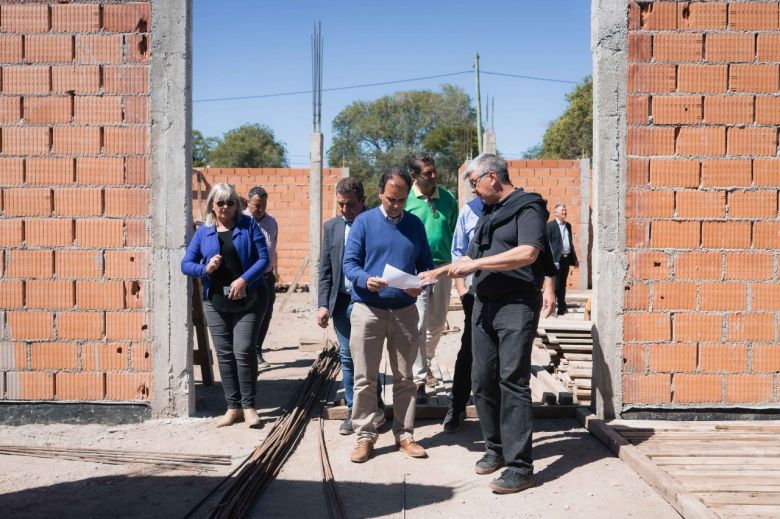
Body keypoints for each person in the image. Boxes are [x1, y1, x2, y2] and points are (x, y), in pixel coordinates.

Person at [420, 154, 556, 494]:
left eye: (474, 182)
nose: (473, 190)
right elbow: (467, 258)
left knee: (512, 380)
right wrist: (439, 272)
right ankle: (494, 448)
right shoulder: (488, 213)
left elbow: (528, 253)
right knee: (481, 380)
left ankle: (520, 466)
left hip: (516, 304)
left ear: (492, 177)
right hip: (484, 304)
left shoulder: (527, 208)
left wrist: (478, 263)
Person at [343, 167, 435, 463]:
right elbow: (350, 263)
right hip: (368, 310)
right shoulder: (363, 223)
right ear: (380, 192)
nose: (397, 205)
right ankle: (365, 435)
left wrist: (419, 285)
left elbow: (426, 265)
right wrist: (364, 279)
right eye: (392, 198)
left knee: (406, 377)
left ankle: (405, 434)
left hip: (405, 311)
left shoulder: (415, 224)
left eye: (402, 199)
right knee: (365, 378)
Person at [182, 183, 270, 428]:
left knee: (243, 350)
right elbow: (186, 264)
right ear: (212, 204)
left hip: (250, 298)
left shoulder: (248, 225)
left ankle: (249, 406)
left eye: (230, 202)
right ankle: (233, 408)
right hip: (216, 301)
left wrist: (244, 279)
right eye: (220, 202)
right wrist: (204, 268)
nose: (225, 207)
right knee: (224, 354)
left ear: (236, 205)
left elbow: (264, 259)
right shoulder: (203, 233)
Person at [316, 177, 385, 436]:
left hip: (368, 301)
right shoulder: (332, 227)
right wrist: (323, 304)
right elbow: (325, 269)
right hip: (342, 301)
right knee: (347, 356)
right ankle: (354, 411)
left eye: (350, 205)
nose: (345, 210)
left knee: (367, 356)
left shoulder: (376, 224)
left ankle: (375, 406)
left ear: (363, 202)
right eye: (341, 205)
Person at [404, 154, 458, 396]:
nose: (434, 176)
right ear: (415, 175)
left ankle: (424, 364)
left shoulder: (447, 198)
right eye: (428, 173)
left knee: (436, 326)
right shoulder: (406, 199)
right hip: (417, 271)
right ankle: (418, 378)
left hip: (444, 268)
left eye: (434, 170)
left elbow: (455, 233)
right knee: (418, 323)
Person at [441, 191, 483, 434]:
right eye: (473, 184)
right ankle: (456, 407)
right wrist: (461, 289)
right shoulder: (469, 211)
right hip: (473, 295)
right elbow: (457, 251)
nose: (476, 189)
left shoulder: (508, 208)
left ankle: (495, 413)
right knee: (468, 352)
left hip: (502, 297)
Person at [245, 186, 279, 366]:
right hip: (246, 278)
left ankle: (257, 350)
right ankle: (246, 351)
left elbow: (273, 248)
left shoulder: (272, 222)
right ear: (248, 202)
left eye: (263, 205)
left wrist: (275, 270)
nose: (260, 209)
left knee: (265, 314)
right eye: (257, 205)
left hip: (266, 276)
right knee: (247, 314)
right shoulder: (240, 220)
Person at [546, 204, 579, 315]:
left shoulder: (568, 225)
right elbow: (547, 243)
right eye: (562, 210)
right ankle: (552, 307)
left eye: (565, 210)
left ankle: (561, 307)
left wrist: (574, 259)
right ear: (556, 213)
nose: (564, 212)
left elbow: (570, 243)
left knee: (563, 284)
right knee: (555, 284)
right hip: (555, 259)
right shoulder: (550, 226)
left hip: (565, 259)